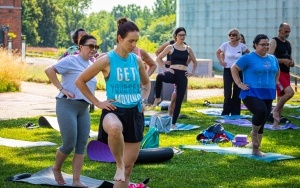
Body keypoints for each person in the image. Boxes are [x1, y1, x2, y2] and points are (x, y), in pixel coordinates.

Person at [75, 17, 150, 188]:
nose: (134, 45)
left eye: (136, 41)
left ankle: (123, 169)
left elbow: (146, 83)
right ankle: (118, 164)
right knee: (115, 129)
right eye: (130, 41)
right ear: (120, 38)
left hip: (135, 113)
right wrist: (98, 102)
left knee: (129, 169)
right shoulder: (106, 59)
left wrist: (144, 98)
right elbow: (80, 81)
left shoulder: (136, 60)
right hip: (113, 110)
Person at [45, 34, 98, 187]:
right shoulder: (71, 60)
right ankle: (56, 168)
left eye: (96, 47)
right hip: (67, 105)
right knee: (68, 144)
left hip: (83, 109)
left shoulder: (92, 64)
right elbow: (49, 70)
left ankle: (76, 181)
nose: (93, 49)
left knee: (81, 145)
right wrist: (61, 88)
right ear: (81, 46)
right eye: (90, 46)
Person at [231, 34, 279, 156]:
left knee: (263, 118)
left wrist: (274, 83)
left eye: (267, 44)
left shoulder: (273, 58)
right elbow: (234, 68)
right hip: (251, 92)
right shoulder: (248, 58)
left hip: (268, 92)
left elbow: (276, 71)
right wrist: (239, 83)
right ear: (255, 45)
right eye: (263, 44)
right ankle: (253, 134)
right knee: (261, 111)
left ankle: (256, 149)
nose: (266, 47)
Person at [152, 27, 197, 129]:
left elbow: (195, 62)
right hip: (172, 72)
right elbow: (158, 58)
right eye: (180, 35)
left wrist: (191, 72)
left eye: (183, 35)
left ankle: (173, 123)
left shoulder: (188, 48)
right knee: (159, 77)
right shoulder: (170, 47)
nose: (182, 37)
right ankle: (157, 97)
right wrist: (165, 68)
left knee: (179, 100)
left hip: (182, 75)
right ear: (176, 36)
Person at [216, 28, 250, 116]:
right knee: (227, 92)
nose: (231, 36)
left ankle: (235, 112)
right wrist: (221, 61)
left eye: (234, 35)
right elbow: (218, 52)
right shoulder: (225, 45)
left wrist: (245, 65)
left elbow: (249, 55)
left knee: (237, 91)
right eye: (230, 35)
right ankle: (226, 111)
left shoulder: (242, 46)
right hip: (228, 70)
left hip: (238, 70)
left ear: (237, 36)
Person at [268, 23, 295, 129]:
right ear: (280, 30)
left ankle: (276, 123)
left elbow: (290, 57)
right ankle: (274, 111)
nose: (287, 33)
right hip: (278, 72)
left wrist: (291, 62)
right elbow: (269, 58)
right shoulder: (274, 41)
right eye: (285, 31)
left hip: (286, 72)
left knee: (281, 98)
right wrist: (283, 61)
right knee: (290, 93)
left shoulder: (288, 43)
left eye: (289, 31)